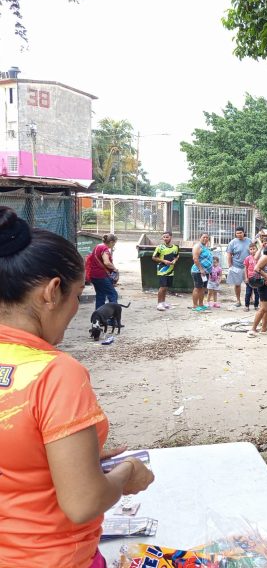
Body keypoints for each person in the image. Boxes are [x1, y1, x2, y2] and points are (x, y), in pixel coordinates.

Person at [0, 207, 154, 566]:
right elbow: (83, 502)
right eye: (76, 296)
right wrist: (127, 473)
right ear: (52, 291)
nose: (75, 313)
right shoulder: (55, 374)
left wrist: (73, 460)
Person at [248, 242, 267, 336]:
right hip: (266, 286)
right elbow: (257, 268)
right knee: (263, 308)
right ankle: (253, 329)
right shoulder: (265, 257)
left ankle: (264, 328)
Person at [89, 233, 118, 309]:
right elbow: (107, 262)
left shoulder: (98, 246)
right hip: (101, 276)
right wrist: (115, 268)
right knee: (113, 295)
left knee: (100, 295)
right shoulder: (104, 249)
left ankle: (99, 317)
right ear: (111, 242)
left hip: (94, 275)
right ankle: (112, 318)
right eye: (114, 243)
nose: (114, 245)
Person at [152, 230, 179, 311]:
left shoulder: (175, 247)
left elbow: (176, 256)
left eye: (167, 237)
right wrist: (164, 261)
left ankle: (163, 302)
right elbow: (154, 257)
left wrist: (175, 260)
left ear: (171, 237)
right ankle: (159, 304)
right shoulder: (159, 247)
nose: (165, 238)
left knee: (166, 287)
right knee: (162, 287)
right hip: (162, 270)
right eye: (164, 237)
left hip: (171, 270)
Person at [225, 226, 251, 309]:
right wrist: (230, 265)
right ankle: (238, 300)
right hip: (236, 266)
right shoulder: (233, 242)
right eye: (237, 233)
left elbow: (253, 251)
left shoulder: (249, 241)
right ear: (235, 234)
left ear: (244, 232)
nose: (239, 234)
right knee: (237, 284)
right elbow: (229, 254)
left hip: (248, 267)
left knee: (250, 284)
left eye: (240, 233)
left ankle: (251, 298)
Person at [190, 232, 213, 312]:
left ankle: (201, 304)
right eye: (204, 237)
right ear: (200, 238)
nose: (205, 239)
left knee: (203, 288)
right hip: (198, 271)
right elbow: (195, 259)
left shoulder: (205, 247)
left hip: (205, 272)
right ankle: (195, 305)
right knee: (197, 288)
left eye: (207, 237)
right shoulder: (198, 246)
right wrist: (201, 269)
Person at [244, 242, 260, 311]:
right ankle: (246, 306)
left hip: (258, 278)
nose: (252, 250)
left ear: (257, 249)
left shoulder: (260, 258)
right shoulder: (247, 258)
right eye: (251, 249)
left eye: (254, 249)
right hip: (249, 279)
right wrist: (246, 277)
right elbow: (245, 268)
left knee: (257, 293)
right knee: (248, 293)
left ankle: (256, 305)